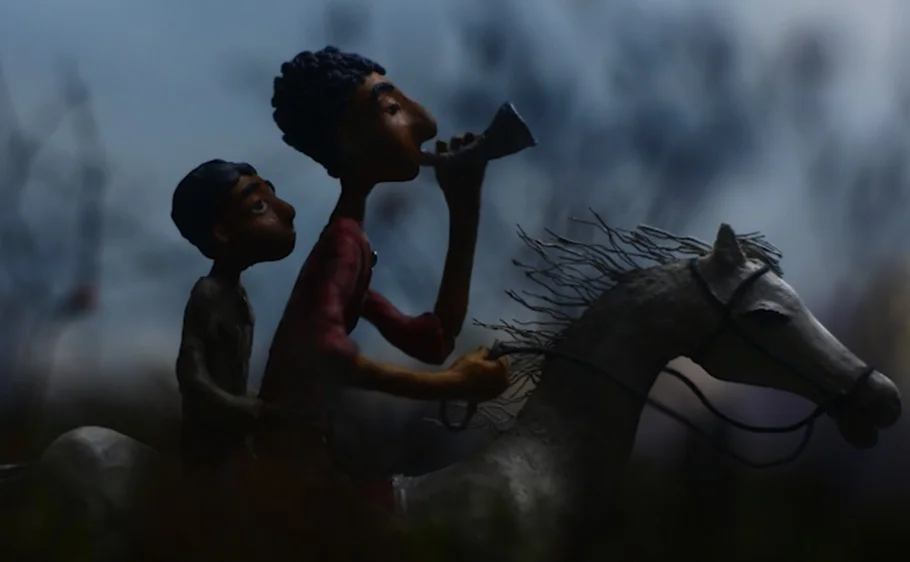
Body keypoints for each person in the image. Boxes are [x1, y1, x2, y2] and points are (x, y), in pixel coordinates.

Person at [258, 46, 511, 511]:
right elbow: (331, 355)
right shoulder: (343, 244)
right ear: (350, 140)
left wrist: (464, 206)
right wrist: (452, 386)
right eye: (393, 108)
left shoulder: (350, 242)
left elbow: (433, 340)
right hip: (291, 460)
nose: (426, 123)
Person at [165, 158, 297, 561]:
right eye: (259, 206)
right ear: (222, 232)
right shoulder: (208, 294)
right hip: (212, 452)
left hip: (236, 441)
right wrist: (250, 410)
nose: (287, 210)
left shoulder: (235, 295)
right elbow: (192, 377)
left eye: (272, 194)